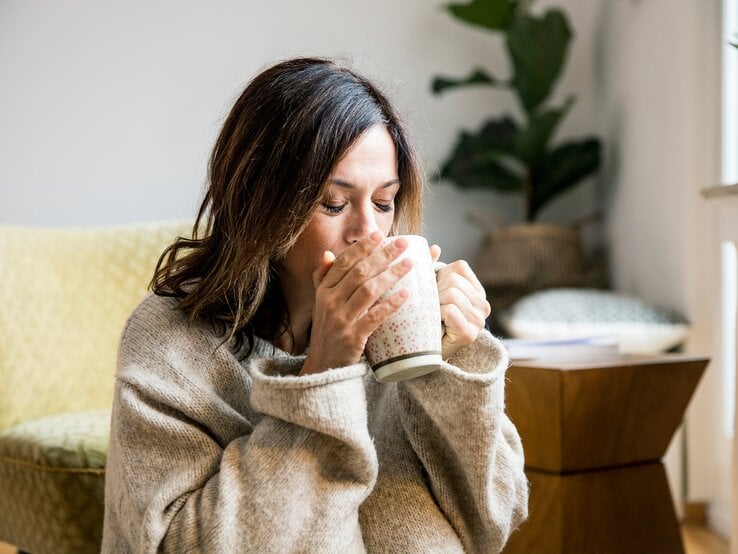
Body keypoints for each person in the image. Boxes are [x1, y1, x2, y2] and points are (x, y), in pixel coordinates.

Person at [102, 57, 528, 553]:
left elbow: (491, 519)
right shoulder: (170, 343)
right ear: (259, 204)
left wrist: (451, 366)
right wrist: (324, 375)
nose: (369, 233)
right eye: (333, 203)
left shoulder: (402, 330)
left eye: (384, 202)